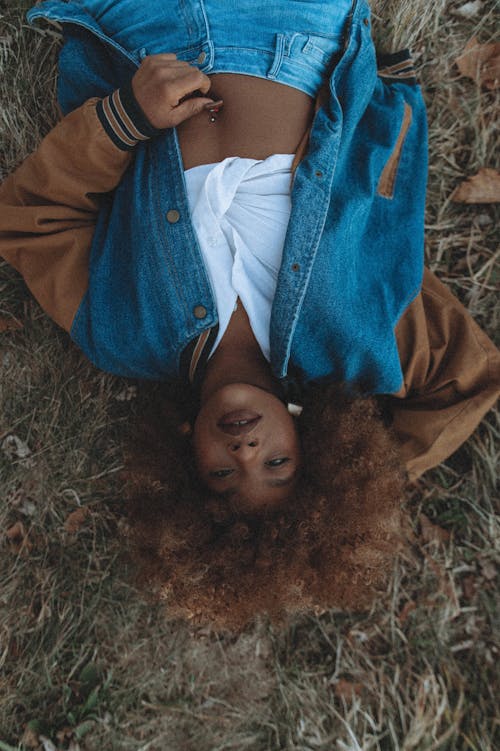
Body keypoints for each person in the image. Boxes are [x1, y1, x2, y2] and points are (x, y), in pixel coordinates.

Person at [1, 0, 498, 627]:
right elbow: (468, 379)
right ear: (304, 443)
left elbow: (33, 220)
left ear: (187, 454)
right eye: (277, 465)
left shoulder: (123, 335)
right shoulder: (354, 340)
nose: (245, 449)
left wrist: (124, 119)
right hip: (299, 26)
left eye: (220, 473)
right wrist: (363, 473)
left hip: (140, 27)